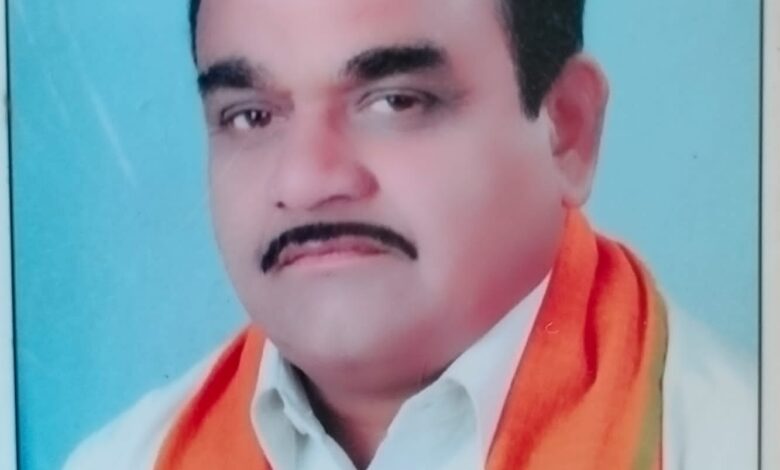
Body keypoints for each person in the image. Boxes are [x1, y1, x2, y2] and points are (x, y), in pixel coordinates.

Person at [66, 0, 757, 468]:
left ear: (566, 130)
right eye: (251, 115)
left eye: (395, 101)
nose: (305, 181)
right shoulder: (127, 458)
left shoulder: (735, 442)